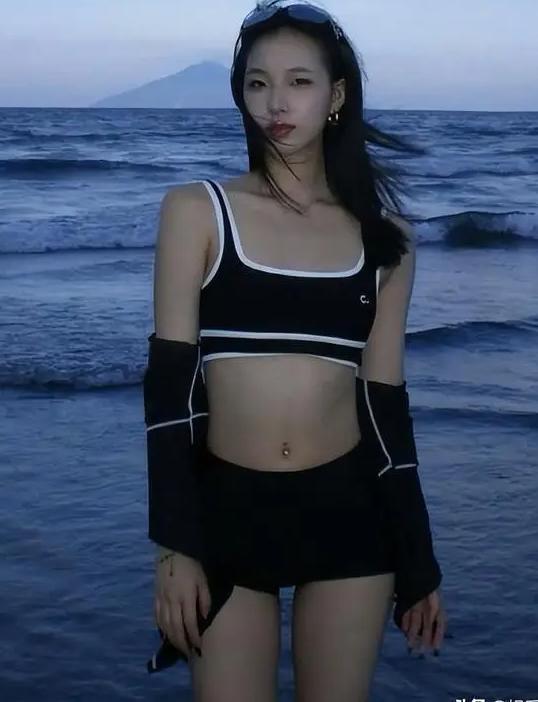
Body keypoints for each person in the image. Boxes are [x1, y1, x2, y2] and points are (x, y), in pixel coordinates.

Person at [143, 1, 448, 699]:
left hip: (349, 513)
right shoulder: (197, 212)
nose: (275, 102)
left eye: (299, 82)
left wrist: (419, 560)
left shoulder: (387, 241)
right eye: (257, 83)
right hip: (227, 512)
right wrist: (174, 548)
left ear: (335, 95)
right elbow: (169, 392)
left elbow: (385, 407)